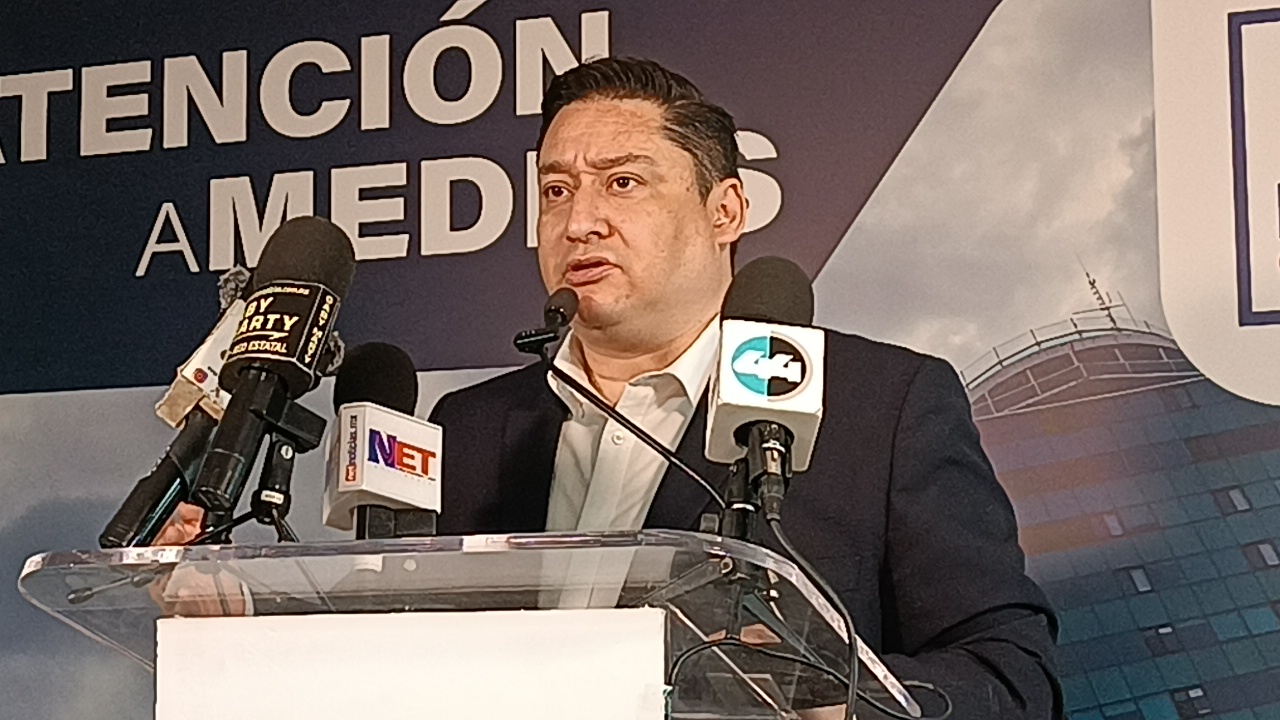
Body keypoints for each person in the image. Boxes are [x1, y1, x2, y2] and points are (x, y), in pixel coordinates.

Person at [157, 56, 1060, 719]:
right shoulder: (469, 428)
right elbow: (402, 665)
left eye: (623, 183)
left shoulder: (882, 405)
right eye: (555, 190)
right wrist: (245, 623)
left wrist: (842, 701)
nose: (580, 219)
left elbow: (1011, 676)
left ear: (726, 210)